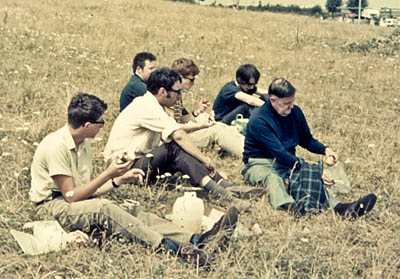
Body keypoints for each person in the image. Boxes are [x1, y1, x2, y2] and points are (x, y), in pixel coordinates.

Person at [29, 93, 240, 267]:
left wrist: (118, 180)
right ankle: (172, 248)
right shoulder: (56, 146)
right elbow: (72, 197)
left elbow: (87, 191)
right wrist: (109, 174)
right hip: (50, 206)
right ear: (87, 125)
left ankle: (194, 239)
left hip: (69, 201)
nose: (103, 125)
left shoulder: (82, 143)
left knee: (131, 211)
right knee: (104, 209)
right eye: (100, 121)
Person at [104, 68, 251, 212]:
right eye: (177, 91)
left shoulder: (155, 104)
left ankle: (224, 186)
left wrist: (199, 126)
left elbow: (175, 127)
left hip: (138, 161)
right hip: (123, 169)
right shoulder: (147, 106)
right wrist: (204, 159)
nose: (180, 96)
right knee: (174, 148)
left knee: (178, 150)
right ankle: (220, 193)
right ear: (163, 91)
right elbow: (178, 135)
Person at [241, 78, 377, 219]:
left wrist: (325, 150)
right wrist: (311, 170)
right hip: (260, 162)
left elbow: (306, 139)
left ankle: (341, 208)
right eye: (286, 103)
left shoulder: (295, 112)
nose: (291, 106)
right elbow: (279, 152)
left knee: (307, 179)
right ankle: (290, 206)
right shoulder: (259, 120)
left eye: (292, 101)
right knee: (273, 178)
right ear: (273, 100)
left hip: (285, 162)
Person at [170, 58, 245, 159]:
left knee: (216, 123)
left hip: (180, 133)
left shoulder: (176, 92)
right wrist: (201, 126)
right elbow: (173, 128)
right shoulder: (169, 96)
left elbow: (179, 119)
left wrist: (196, 113)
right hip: (176, 141)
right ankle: (250, 155)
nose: (193, 83)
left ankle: (251, 147)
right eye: (191, 79)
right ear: (180, 77)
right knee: (217, 130)